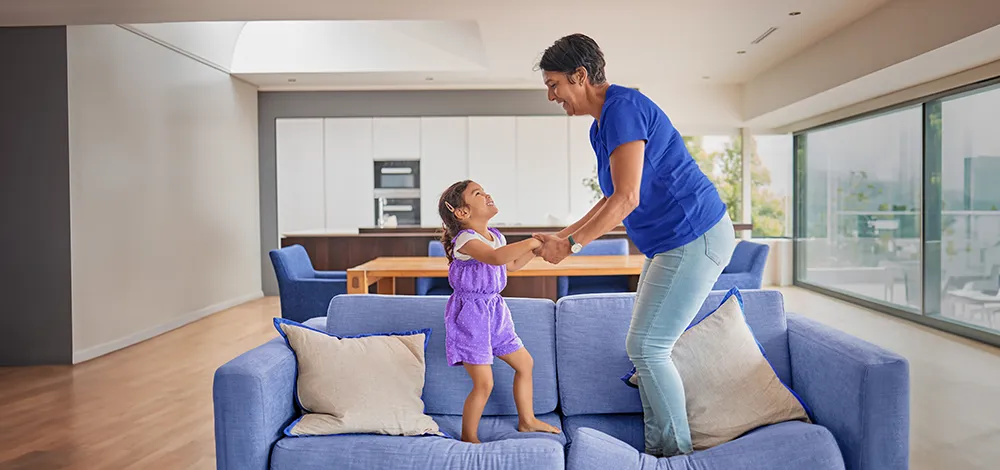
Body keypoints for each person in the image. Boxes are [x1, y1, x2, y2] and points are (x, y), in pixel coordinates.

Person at [531, 33, 737, 457]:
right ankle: (658, 448)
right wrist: (563, 235)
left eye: (554, 85)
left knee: (647, 346)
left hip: (694, 234)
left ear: (580, 76)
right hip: (669, 244)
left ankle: (676, 455)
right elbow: (610, 198)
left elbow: (628, 198)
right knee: (647, 346)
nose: (552, 96)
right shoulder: (599, 126)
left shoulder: (624, 108)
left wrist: (569, 246)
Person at [437, 179, 562, 443]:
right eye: (478, 193)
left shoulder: (497, 237)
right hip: (470, 317)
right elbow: (496, 258)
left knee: (525, 364)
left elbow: (511, 264)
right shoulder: (465, 240)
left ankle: (527, 421)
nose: (487, 194)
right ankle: (469, 438)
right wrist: (531, 241)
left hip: (496, 313)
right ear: (462, 213)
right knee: (484, 384)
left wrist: (536, 250)